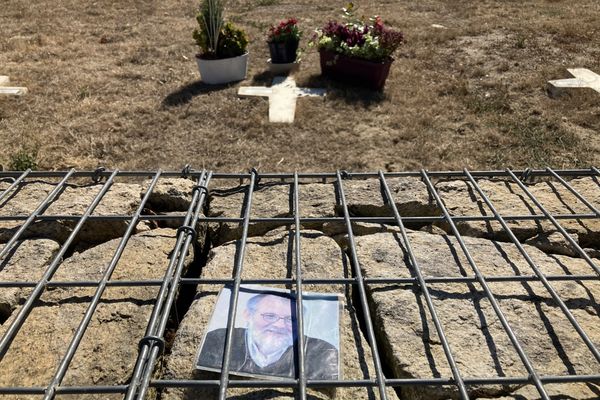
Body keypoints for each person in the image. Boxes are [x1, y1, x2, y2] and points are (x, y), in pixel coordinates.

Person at [197, 292, 339, 380]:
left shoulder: (322, 353)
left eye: (291, 319)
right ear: (248, 314)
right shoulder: (219, 340)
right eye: (270, 316)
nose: (279, 325)